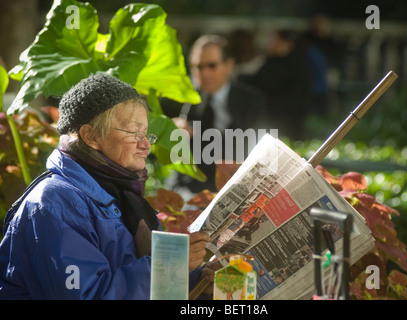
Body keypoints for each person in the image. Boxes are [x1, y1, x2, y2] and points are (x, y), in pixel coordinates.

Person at [0, 73, 216, 299]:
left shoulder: (119, 191)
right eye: (135, 133)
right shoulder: (54, 201)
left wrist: (198, 283)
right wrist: (170, 266)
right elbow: (85, 295)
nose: (146, 146)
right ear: (91, 136)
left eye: (146, 135)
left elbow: (136, 279)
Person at [162, 34, 268, 196]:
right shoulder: (178, 102)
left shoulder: (251, 101)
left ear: (229, 65)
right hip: (192, 190)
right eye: (198, 67)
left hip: (237, 187)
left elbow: (259, 152)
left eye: (212, 66)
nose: (204, 74)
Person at [238, 29, 313, 140]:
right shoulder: (291, 61)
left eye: (273, 41)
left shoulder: (288, 65)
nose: (269, 44)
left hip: (283, 123)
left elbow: (260, 82)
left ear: (285, 44)